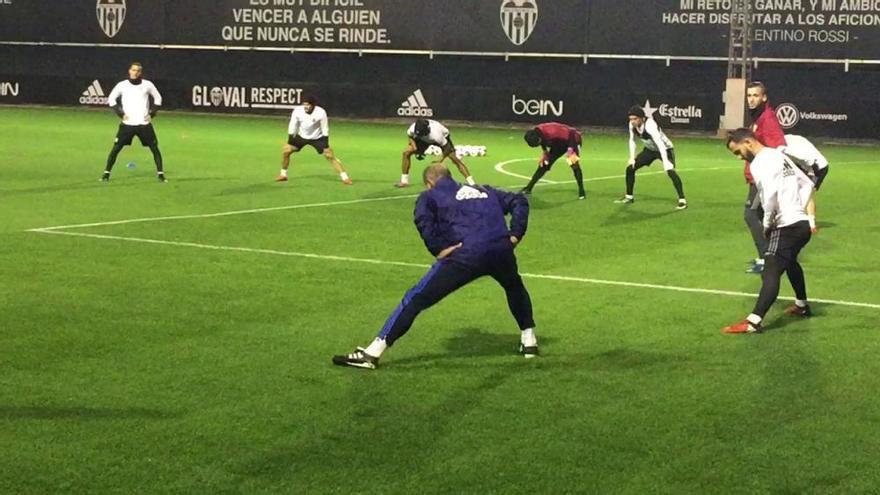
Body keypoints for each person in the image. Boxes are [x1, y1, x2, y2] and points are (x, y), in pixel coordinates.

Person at [333, 164, 537, 369]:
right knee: (514, 287)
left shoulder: (430, 197)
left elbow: (423, 221)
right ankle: (529, 341)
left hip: (465, 255)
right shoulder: (484, 190)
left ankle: (373, 353)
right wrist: (515, 234)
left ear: (429, 183)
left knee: (415, 298)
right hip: (500, 250)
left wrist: (439, 248)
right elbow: (519, 200)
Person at [722, 128, 815, 334]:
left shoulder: (759, 163)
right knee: (790, 262)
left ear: (748, 142)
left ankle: (753, 322)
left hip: (786, 226)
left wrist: (766, 223)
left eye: (737, 152)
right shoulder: (778, 155)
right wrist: (799, 207)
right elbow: (808, 183)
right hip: (801, 224)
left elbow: (770, 195)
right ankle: (801, 306)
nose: (739, 158)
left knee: (771, 267)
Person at [743, 81, 787, 273]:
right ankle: (773, 255)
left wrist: (768, 173)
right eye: (749, 95)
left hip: (763, 178)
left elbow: (779, 146)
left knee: (750, 214)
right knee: (761, 216)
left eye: (755, 95)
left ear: (764, 97)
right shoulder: (758, 117)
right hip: (757, 176)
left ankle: (766, 259)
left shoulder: (767, 118)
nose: (751, 99)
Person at [101, 62, 165, 182]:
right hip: (127, 125)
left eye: (138, 71)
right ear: (129, 71)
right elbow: (111, 99)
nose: (135, 72)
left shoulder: (147, 85)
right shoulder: (122, 85)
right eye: (133, 70)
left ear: (141, 73)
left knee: (154, 148)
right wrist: (120, 114)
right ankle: (106, 174)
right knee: (116, 149)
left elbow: (158, 98)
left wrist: (152, 114)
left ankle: (161, 174)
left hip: (143, 124)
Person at [614, 105, 687, 210]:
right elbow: (632, 140)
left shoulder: (650, 125)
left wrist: (666, 161)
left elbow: (660, 144)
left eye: (635, 119)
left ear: (642, 118)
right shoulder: (632, 125)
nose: (632, 121)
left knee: (670, 171)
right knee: (630, 168)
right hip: (650, 150)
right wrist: (631, 157)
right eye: (631, 119)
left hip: (665, 149)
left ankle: (682, 200)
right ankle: (629, 197)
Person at [275, 96, 352, 185]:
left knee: (329, 156)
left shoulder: (321, 112)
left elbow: (325, 128)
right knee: (286, 151)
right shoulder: (297, 111)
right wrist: (290, 140)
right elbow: (293, 125)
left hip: (317, 138)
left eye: (308, 105)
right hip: (301, 136)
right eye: (304, 105)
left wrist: (325, 144)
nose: (306, 107)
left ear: (313, 105)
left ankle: (345, 178)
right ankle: (283, 175)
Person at [397, 118, 475, 188]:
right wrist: (415, 147)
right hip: (423, 141)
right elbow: (410, 136)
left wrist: (440, 159)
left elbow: (447, 148)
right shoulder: (413, 128)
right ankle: (404, 181)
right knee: (406, 153)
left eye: (421, 133)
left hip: (443, 138)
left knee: (455, 159)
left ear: (427, 129)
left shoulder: (436, 134)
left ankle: (472, 183)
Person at [520, 122, 586, 199]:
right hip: (558, 143)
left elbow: (571, 133)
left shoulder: (551, 131)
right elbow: (542, 142)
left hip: (573, 139)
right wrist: (545, 152)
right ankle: (529, 188)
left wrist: (570, 150)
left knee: (573, 164)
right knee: (544, 164)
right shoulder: (538, 134)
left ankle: (581, 191)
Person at [780, 134, 829, 233]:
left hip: (817, 168)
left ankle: (804, 223)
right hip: (813, 164)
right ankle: (808, 223)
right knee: (804, 193)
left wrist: (812, 177)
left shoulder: (784, 148)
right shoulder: (789, 138)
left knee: (806, 194)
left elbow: (811, 162)